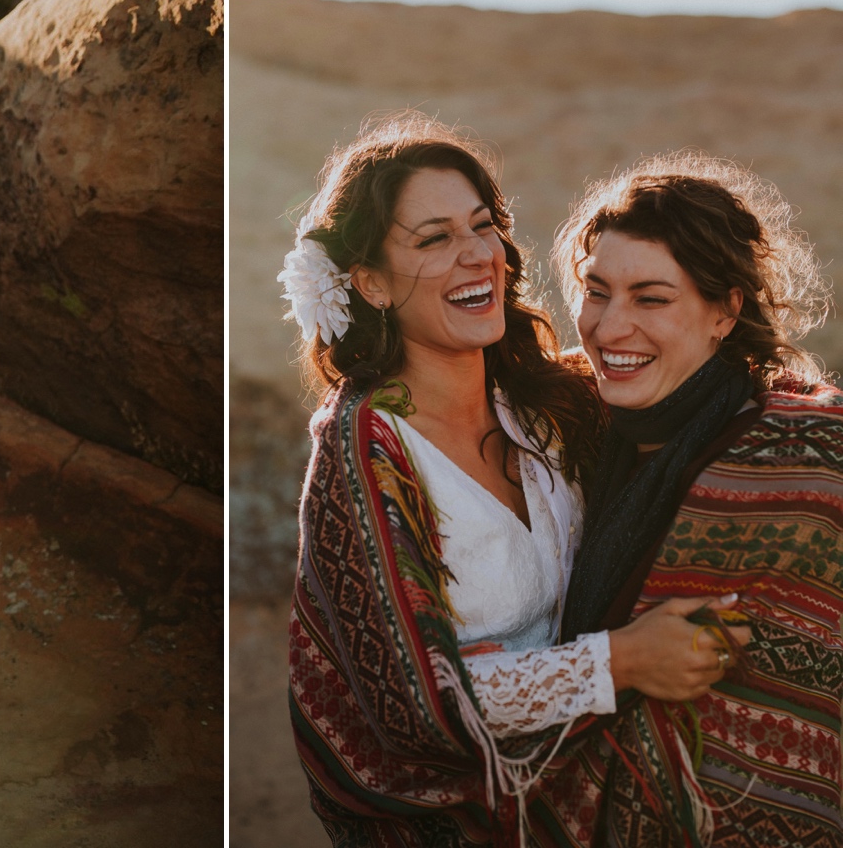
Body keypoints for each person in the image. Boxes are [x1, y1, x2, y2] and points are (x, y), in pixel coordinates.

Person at [280, 113, 739, 846]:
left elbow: (682, 394)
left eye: (483, 225)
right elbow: (410, 702)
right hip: (447, 819)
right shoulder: (366, 454)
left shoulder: (547, 405)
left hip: (587, 770)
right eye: (434, 239)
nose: (475, 256)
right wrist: (621, 660)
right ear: (367, 281)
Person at [532, 153, 837, 847]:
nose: (609, 328)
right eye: (596, 289)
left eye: (651, 297)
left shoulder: (800, 464)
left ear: (725, 310)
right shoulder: (565, 429)